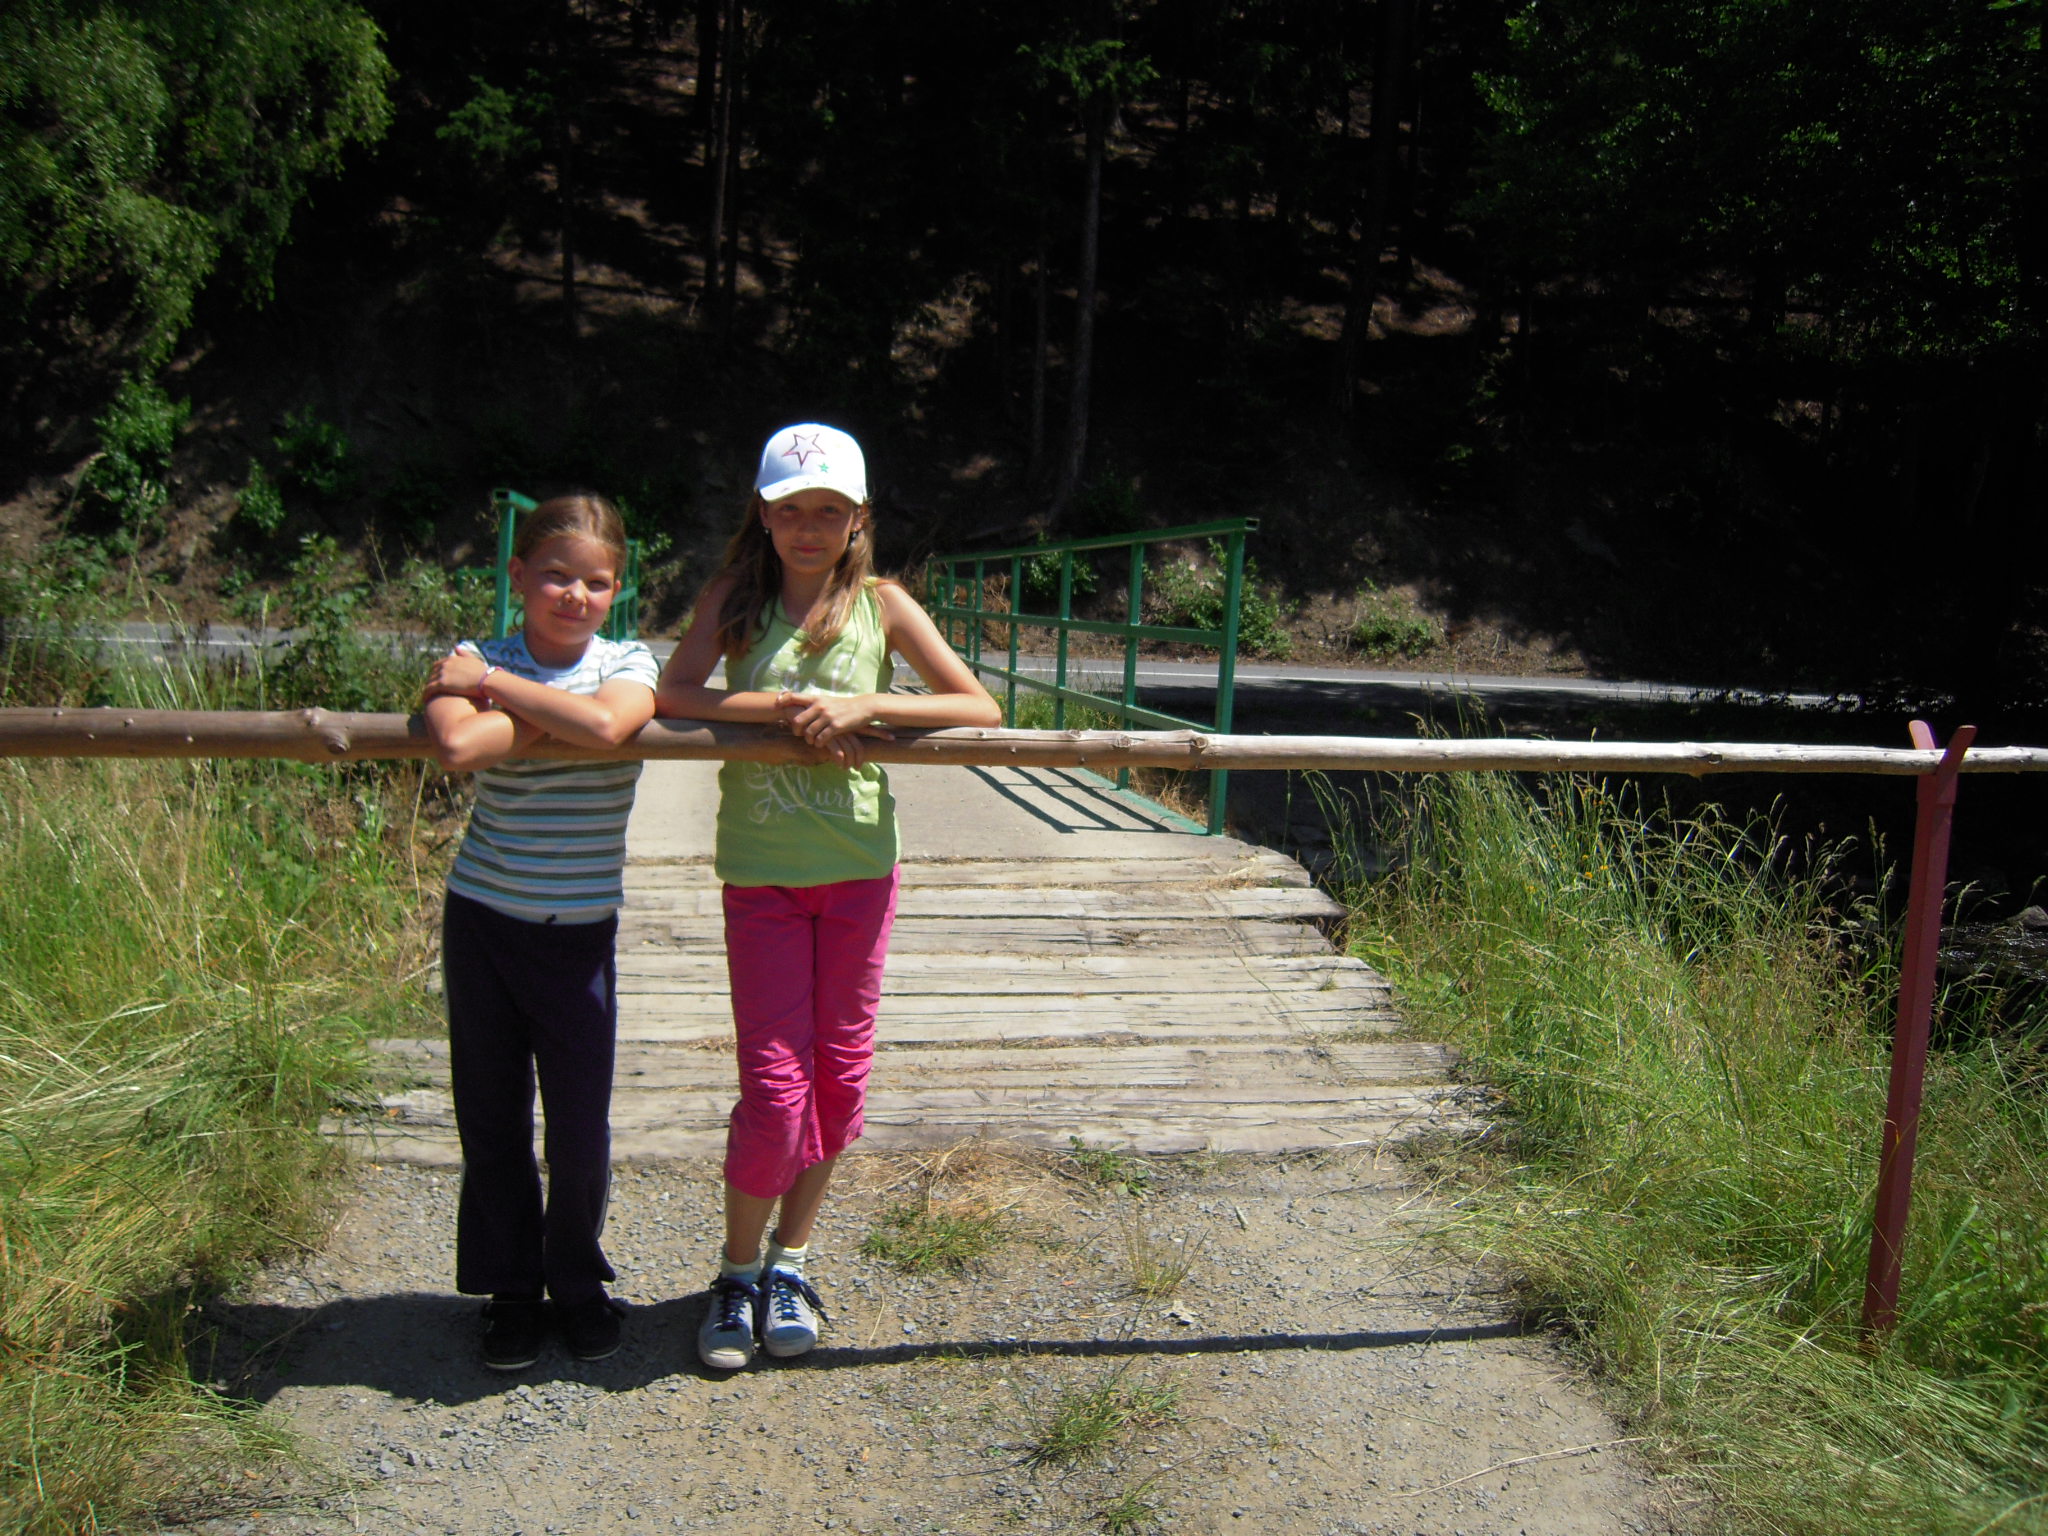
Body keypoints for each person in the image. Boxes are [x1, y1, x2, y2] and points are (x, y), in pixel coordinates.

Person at [656, 423, 1000, 1370]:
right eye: (791, 510)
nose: (809, 527)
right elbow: (675, 694)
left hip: (859, 873)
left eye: (829, 511)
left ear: (858, 519)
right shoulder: (735, 597)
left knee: (840, 1080)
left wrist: (867, 705)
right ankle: (735, 1273)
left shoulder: (883, 605)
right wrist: (785, 711)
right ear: (763, 516)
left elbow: (976, 705)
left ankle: (790, 1262)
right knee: (775, 1092)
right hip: (762, 874)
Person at [421, 492, 659, 1371]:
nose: (575, 595)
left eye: (596, 582)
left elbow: (606, 722)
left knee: (579, 1129)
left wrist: (494, 697)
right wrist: (542, 707)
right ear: (519, 575)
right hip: (484, 919)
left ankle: (578, 1284)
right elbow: (457, 749)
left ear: (616, 590)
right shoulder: (477, 651)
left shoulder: (625, 660)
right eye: (556, 576)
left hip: (579, 932)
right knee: (491, 1116)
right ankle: (512, 1292)